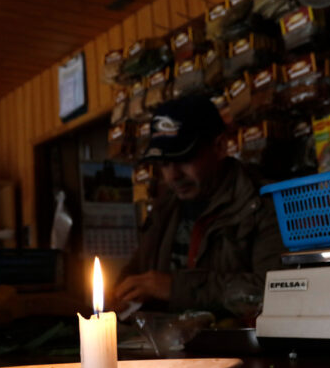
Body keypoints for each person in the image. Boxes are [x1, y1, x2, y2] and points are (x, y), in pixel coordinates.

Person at [113, 95, 285, 323]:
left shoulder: (264, 205)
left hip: (243, 355)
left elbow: (276, 291)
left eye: (184, 158)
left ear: (220, 147)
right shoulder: (164, 209)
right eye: (164, 163)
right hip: (172, 352)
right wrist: (121, 294)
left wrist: (176, 288)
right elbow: (138, 274)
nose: (173, 175)